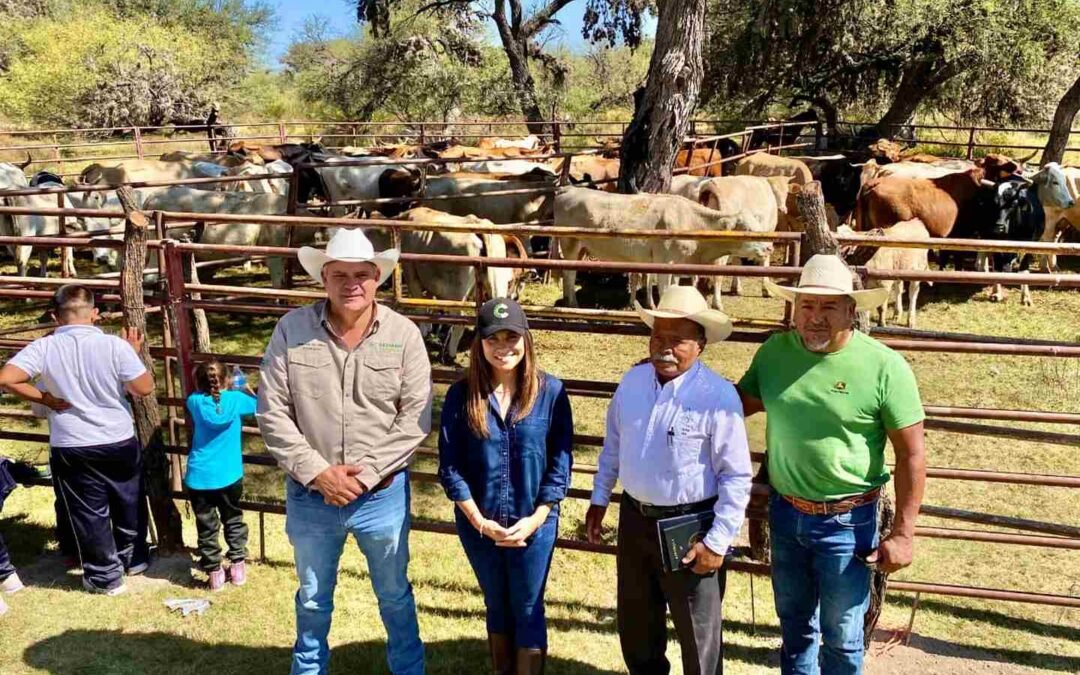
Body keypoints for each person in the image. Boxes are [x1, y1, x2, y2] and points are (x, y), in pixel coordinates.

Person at [739, 254, 926, 675]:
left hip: (848, 520)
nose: (815, 317)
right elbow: (734, 405)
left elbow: (912, 452)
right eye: (806, 305)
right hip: (785, 513)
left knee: (842, 635)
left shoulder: (884, 366)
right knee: (793, 627)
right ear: (794, 308)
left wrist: (904, 534)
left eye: (828, 307)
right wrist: (676, 387)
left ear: (851, 310)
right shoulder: (774, 354)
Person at [257, 228, 431, 675]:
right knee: (313, 597)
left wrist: (365, 474)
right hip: (312, 495)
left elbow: (414, 418)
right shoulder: (291, 330)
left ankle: (408, 670)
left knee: (394, 593)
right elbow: (272, 411)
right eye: (339, 274)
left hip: (382, 495)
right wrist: (318, 473)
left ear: (377, 278)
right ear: (324, 278)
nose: (351, 283)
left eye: (361, 274)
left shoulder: (404, 334)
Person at [586, 285, 753, 675]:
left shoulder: (719, 396)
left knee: (698, 636)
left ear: (701, 344)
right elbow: (614, 444)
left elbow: (736, 476)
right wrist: (599, 498)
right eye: (658, 336)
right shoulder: (632, 383)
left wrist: (717, 541)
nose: (664, 347)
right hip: (634, 517)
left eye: (677, 340)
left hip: (690, 525)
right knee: (637, 627)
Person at [438, 298, 574, 675]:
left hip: (536, 525)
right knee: (496, 603)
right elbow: (450, 468)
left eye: (511, 336)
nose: (503, 347)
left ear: (526, 340)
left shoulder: (552, 394)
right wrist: (481, 522)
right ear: (478, 343)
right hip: (478, 525)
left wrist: (535, 520)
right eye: (492, 338)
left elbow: (560, 466)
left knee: (529, 605)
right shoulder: (460, 396)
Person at [0, 284, 154, 595]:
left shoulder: (44, 347)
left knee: (88, 510)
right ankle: (134, 558)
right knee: (128, 498)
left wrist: (45, 397)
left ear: (56, 317)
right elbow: (145, 387)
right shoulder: (115, 346)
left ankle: (104, 578)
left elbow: (6, 379)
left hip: (71, 441)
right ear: (95, 313)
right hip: (117, 436)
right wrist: (131, 357)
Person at [185, 360, 256, 591]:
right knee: (233, 519)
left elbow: (206, 398)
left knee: (207, 526)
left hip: (200, 478)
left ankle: (214, 573)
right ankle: (237, 568)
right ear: (226, 380)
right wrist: (242, 387)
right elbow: (257, 405)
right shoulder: (236, 401)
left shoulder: (194, 402)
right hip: (229, 475)